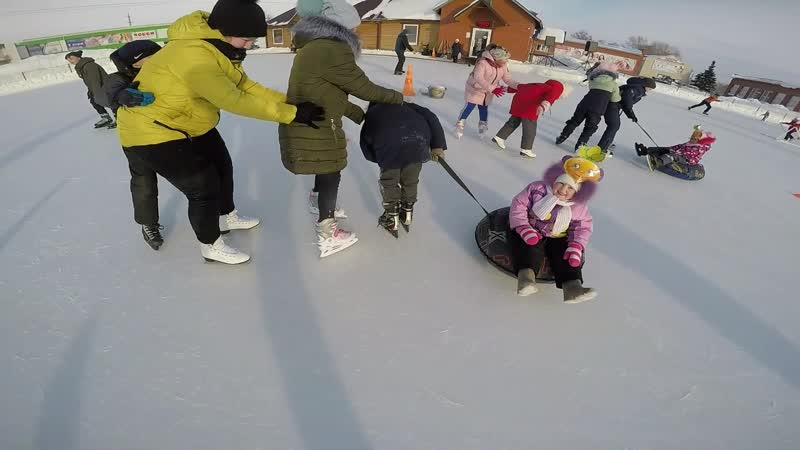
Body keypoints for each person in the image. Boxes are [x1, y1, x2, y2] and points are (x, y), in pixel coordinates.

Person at [117, 0, 325, 265]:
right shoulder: (194, 55)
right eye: (247, 38)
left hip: (188, 122)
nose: (250, 44)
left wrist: (289, 103)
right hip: (151, 131)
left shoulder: (216, 47)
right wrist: (292, 115)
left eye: (253, 39)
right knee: (202, 185)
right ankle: (210, 244)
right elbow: (233, 99)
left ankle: (227, 215)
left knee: (222, 166)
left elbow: (246, 86)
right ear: (226, 29)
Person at [281, 0, 404, 258]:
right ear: (340, 26)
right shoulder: (331, 49)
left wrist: (359, 114)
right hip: (317, 125)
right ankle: (328, 234)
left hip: (309, 121)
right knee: (331, 170)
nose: (355, 32)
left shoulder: (312, 47)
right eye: (353, 27)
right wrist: (398, 98)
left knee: (325, 167)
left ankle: (318, 200)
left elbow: (329, 92)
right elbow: (363, 88)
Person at [508, 156, 601, 303]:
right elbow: (519, 204)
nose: (563, 189)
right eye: (561, 183)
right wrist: (522, 226)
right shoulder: (538, 189)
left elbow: (583, 226)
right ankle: (526, 278)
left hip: (559, 234)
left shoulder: (578, 206)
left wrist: (576, 245)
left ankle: (572, 287)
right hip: (532, 228)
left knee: (565, 255)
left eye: (571, 187)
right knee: (527, 246)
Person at [105, 40, 164, 250]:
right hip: (137, 139)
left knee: (196, 176)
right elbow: (108, 93)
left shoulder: (164, 72)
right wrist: (123, 95)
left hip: (169, 133)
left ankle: (214, 214)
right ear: (137, 63)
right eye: (152, 56)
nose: (159, 59)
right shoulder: (118, 78)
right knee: (144, 180)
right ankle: (148, 224)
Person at [360, 102, 446, 236]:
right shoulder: (408, 105)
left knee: (389, 182)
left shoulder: (373, 112)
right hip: (417, 142)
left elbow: (365, 141)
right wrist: (437, 145)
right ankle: (407, 213)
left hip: (389, 146)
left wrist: (379, 158)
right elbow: (431, 117)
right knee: (410, 180)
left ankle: (392, 217)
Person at [491, 79, 566, 158]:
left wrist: (504, 89)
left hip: (518, 102)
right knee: (530, 129)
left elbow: (520, 87)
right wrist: (543, 107)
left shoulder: (537, 84)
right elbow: (549, 99)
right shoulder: (555, 90)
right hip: (529, 107)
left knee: (513, 121)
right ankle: (526, 149)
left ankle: (499, 137)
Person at [556, 62, 621, 151]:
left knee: (574, 121)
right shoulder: (613, 84)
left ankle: (562, 136)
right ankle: (581, 144)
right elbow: (615, 99)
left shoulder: (593, 79)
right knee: (590, 127)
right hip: (598, 108)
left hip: (584, 104)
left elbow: (591, 84)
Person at [456, 46, 518, 139]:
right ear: (496, 59)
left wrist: (519, 86)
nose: (506, 62)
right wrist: (493, 89)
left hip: (488, 90)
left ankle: (483, 124)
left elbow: (508, 79)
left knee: (483, 107)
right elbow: (478, 78)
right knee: (470, 105)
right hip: (475, 88)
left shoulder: (503, 66)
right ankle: (460, 122)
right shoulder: (482, 63)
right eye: (504, 60)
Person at [597, 76, 656, 156]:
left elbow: (626, 104)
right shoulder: (637, 89)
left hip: (613, 105)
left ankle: (606, 143)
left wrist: (631, 115)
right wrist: (631, 114)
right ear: (646, 86)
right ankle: (602, 148)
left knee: (614, 126)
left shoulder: (636, 88)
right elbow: (626, 100)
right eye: (650, 88)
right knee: (614, 126)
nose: (650, 90)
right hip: (611, 104)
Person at [65, 50, 114, 129]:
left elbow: (95, 80)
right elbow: (89, 81)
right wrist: (90, 91)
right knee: (93, 100)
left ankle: (119, 117)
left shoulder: (89, 66)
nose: (70, 61)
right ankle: (105, 117)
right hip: (96, 87)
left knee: (109, 101)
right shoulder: (81, 66)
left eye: (71, 58)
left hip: (105, 86)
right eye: (68, 60)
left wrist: (96, 92)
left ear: (78, 57)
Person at [635, 125, 715, 171]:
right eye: (691, 137)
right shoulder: (690, 143)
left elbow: (685, 153)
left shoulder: (699, 148)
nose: (691, 139)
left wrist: (673, 151)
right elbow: (679, 146)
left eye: (694, 138)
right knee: (664, 149)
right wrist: (670, 148)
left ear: (700, 141)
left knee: (673, 156)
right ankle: (645, 151)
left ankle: (657, 162)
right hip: (680, 154)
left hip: (687, 160)